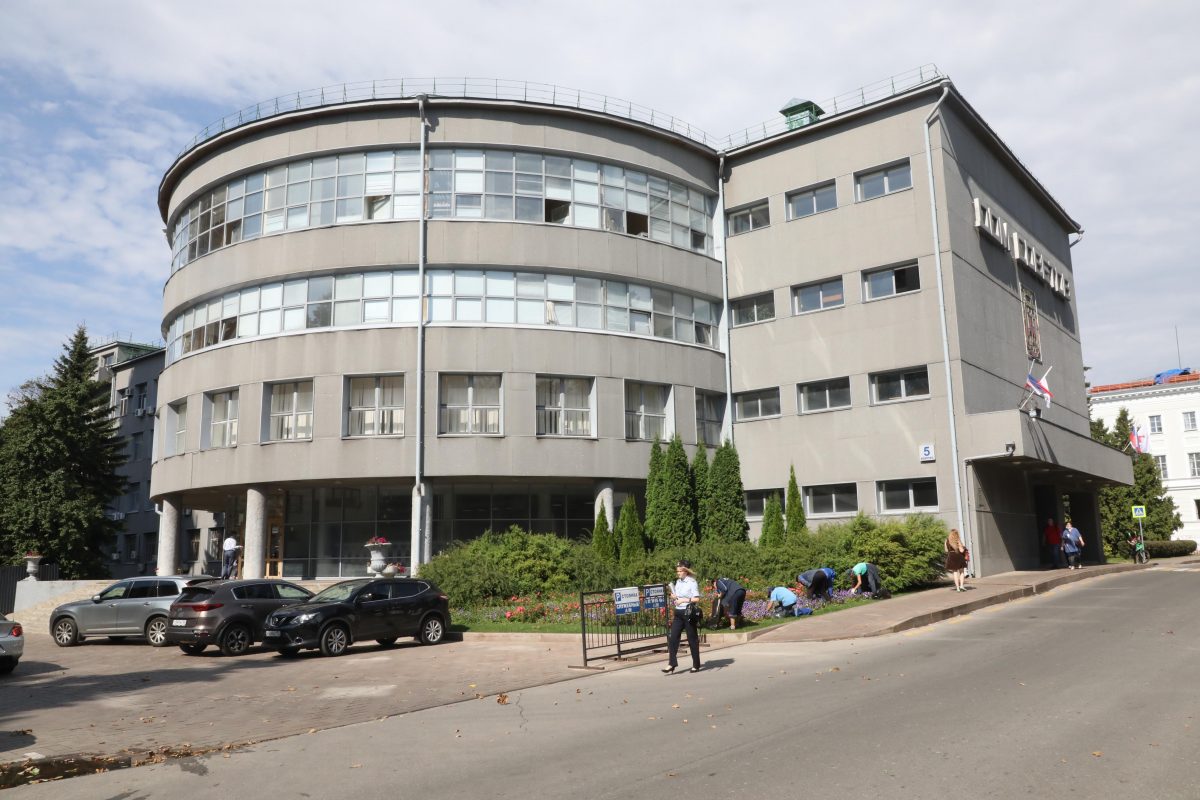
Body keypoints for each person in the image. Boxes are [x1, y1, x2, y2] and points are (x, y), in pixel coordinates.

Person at [662, 560, 702, 674]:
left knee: (692, 639)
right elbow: (677, 597)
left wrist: (684, 600)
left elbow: (696, 599)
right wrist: (674, 596)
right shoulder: (678, 582)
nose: (678, 573)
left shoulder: (692, 582)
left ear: (686, 571)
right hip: (678, 613)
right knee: (673, 638)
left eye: (680, 571)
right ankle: (672, 663)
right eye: (677, 571)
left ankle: (696, 664)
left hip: (688, 613)